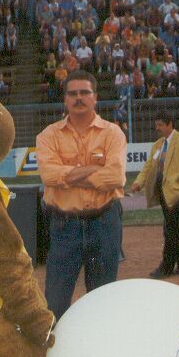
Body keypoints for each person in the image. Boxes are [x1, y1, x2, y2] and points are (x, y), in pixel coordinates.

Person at [36, 70, 127, 320]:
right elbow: (49, 176)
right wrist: (94, 171)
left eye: (84, 92)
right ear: (65, 99)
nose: (79, 98)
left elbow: (115, 178)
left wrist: (69, 175)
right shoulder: (48, 136)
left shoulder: (112, 134)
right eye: (72, 93)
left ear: (95, 97)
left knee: (101, 300)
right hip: (65, 226)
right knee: (55, 301)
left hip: (104, 223)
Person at [130, 112, 179, 278]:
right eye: (156, 125)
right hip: (162, 193)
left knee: (170, 230)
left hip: (178, 194)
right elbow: (148, 167)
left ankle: (166, 266)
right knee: (177, 229)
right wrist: (139, 182)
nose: (157, 128)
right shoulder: (157, 145)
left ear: (170, 124)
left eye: (160, 125)